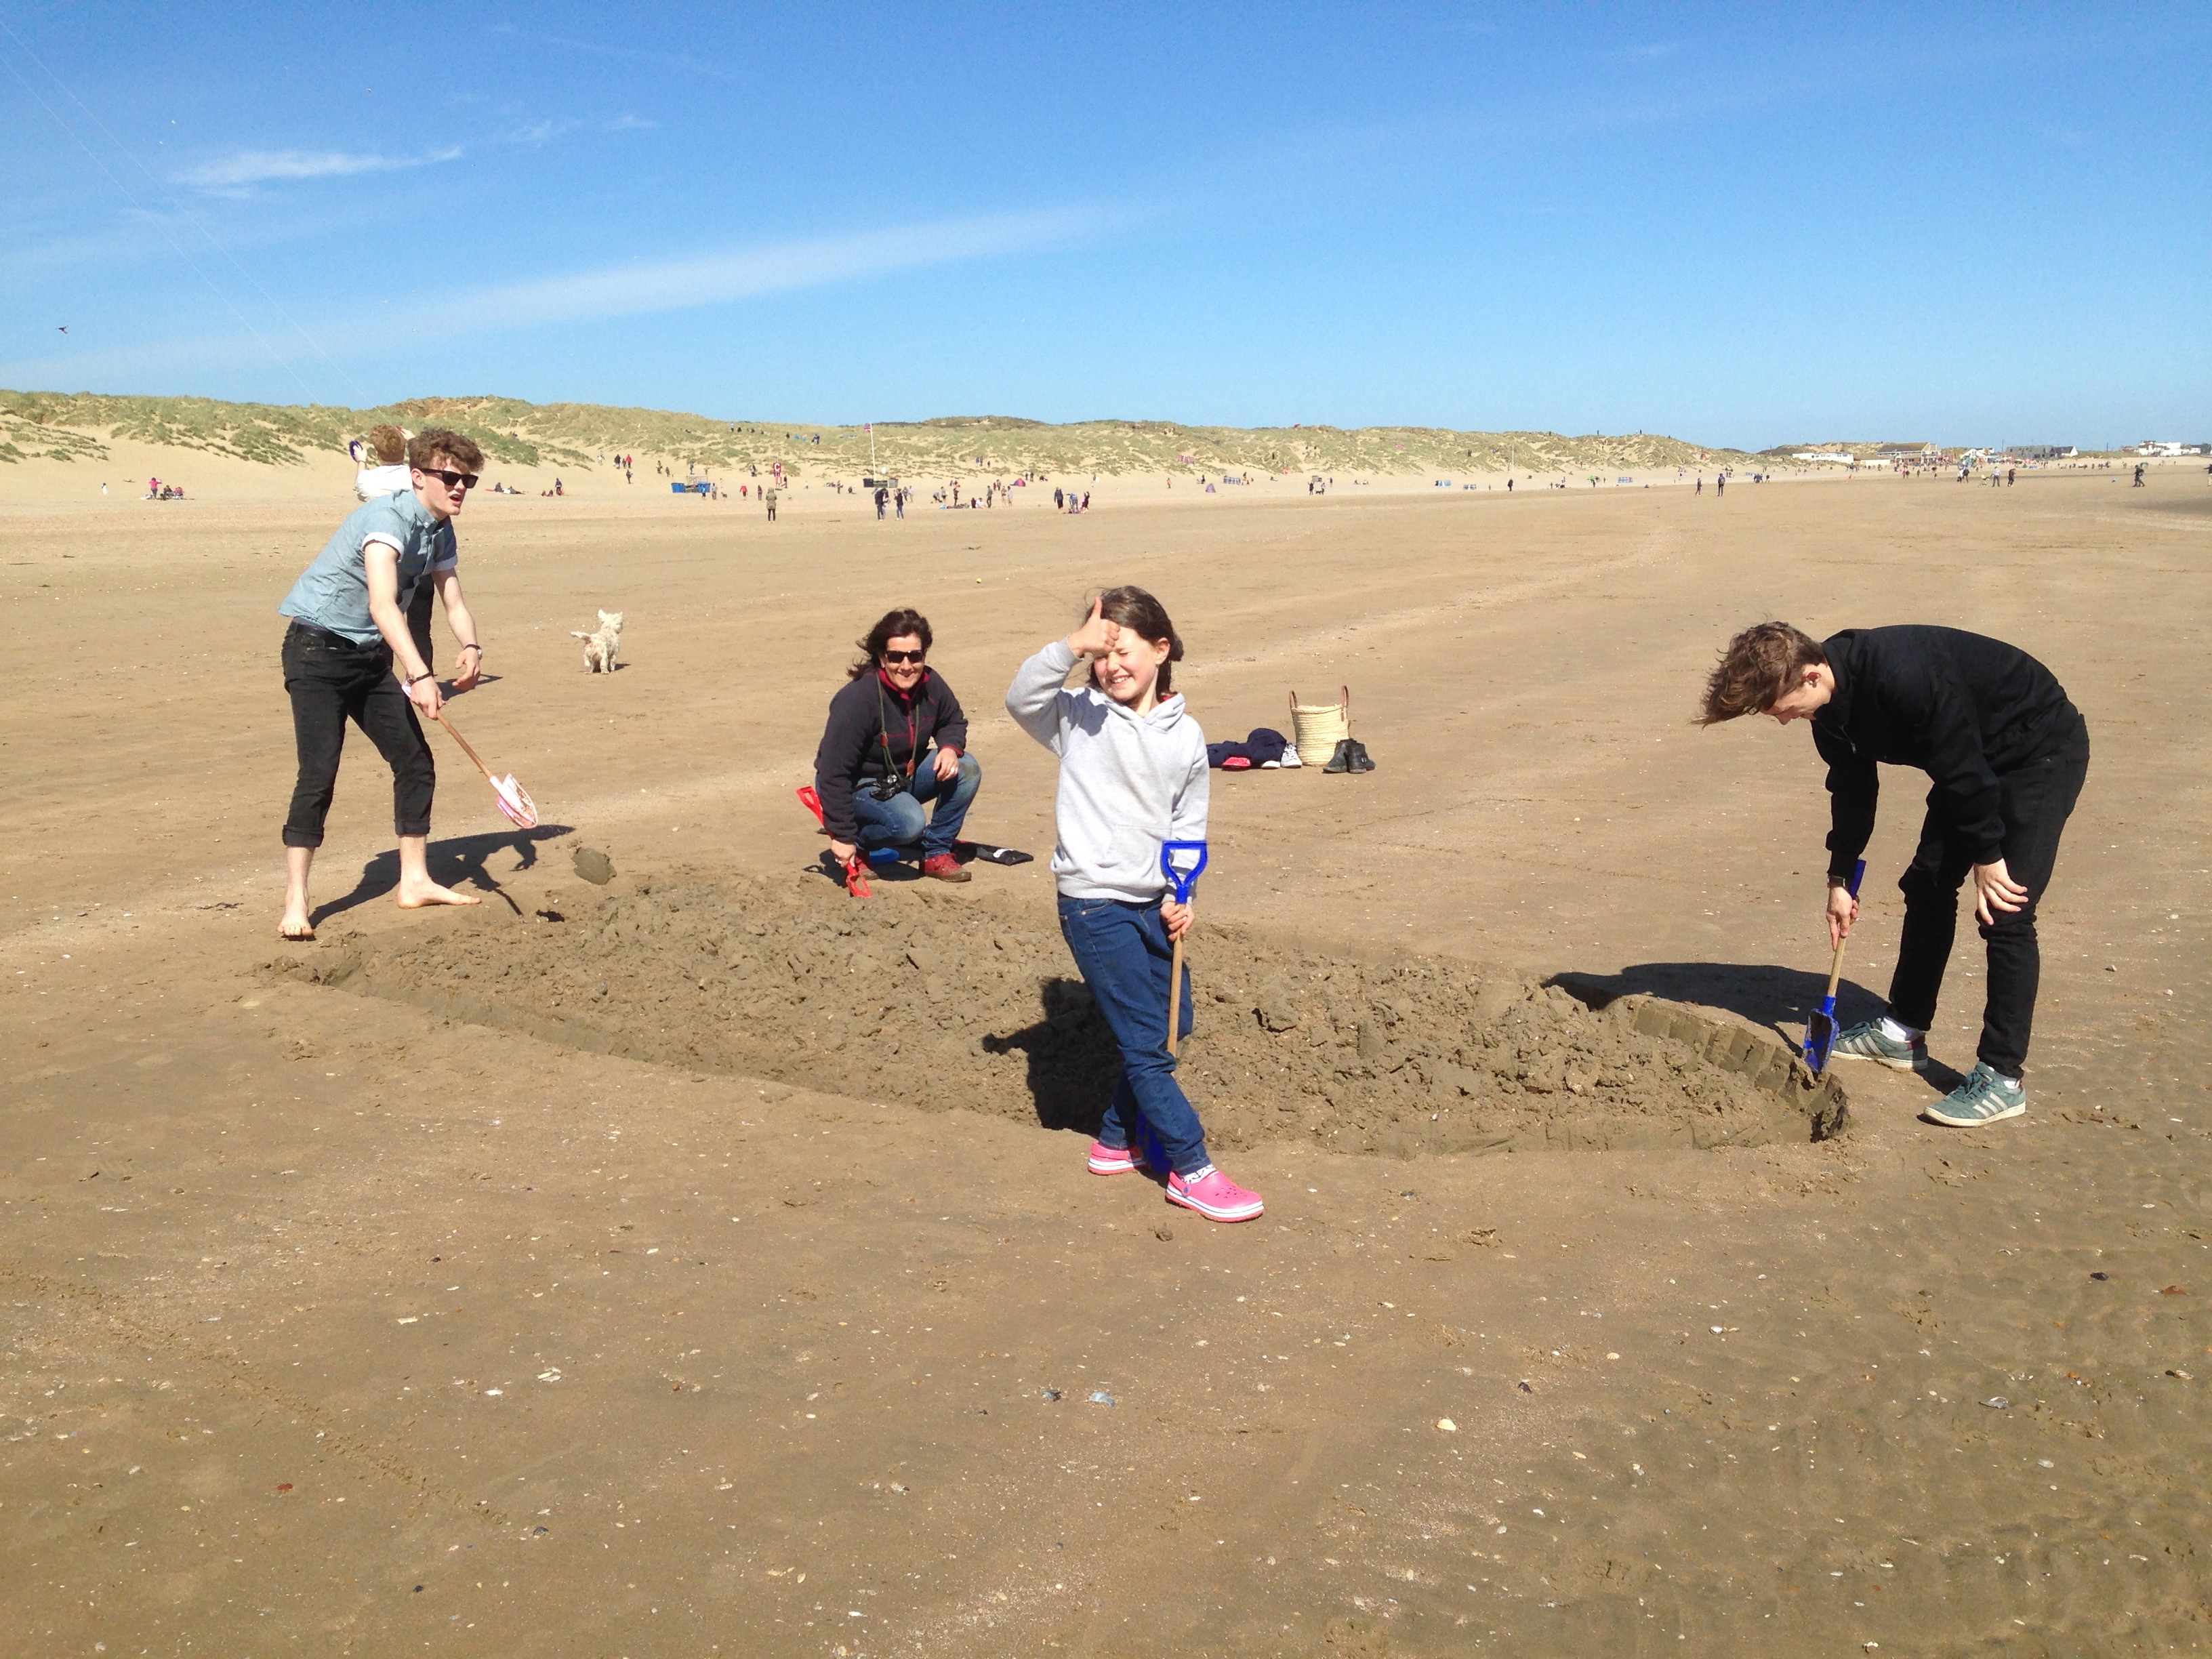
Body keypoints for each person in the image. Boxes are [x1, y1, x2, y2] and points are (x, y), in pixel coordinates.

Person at [1698, 622, 2089, 1126]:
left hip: (2037, 749)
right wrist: (1839, 878)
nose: (1782, 722)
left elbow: (1965, 769)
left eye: (1781, 708)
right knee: (1927, 883)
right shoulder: (1828, 707)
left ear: (1812, 676)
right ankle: (1903, 1032)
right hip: (1972, 758)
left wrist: (1988, 857)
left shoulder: (1904, 677)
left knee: (2005, 909)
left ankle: (2002, 1077)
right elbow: (1853, 788)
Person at [1005, 588, 1263, 1223]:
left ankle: (1117, 1140)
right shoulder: (1077, 716)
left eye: (1123, 651)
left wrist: (1183, 896)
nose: (1110, 665)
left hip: (1154, 903)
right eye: (1101, 654)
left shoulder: (1187, 734)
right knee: (1148, 1047)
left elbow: (1186, 822)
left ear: (1161, 649)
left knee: (1178, 1023)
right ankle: (1191, 1168)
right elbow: (1020, 699)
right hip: (1093, 904)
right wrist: (1072, 647)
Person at [274, 428, 489, 941]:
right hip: (317, 650)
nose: (459, 487)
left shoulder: (440, 530)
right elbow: (382, 604)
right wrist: (418, 675)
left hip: (369, 656)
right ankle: (296, 898)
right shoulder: (386, 521)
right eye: (450, 477)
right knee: (319, 773)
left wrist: (472, 646)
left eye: (468, 480)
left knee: (415, 762)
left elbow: (452, 600)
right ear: (419, 477)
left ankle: (413, 880)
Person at [812, 608, 982, 885]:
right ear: (881, 657)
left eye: (915, 656)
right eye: (896, 657)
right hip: (858, 783)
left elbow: (953, 720)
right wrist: (842, 835)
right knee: (909, 825)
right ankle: (860, 843)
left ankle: (936, 852)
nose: (906, 666)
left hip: (901, 775)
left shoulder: (930, 683)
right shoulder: (856, 700)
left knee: (967, 768)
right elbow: (833, 773)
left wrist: (949, 747)